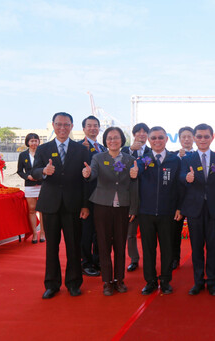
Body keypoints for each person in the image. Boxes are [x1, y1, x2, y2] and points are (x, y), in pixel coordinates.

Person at [32, 112, 90, 299]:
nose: (62, 128)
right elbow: (34, 171)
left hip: (73, 205)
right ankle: (52, 284)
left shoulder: (81, 150)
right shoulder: (43, 149)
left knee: (74, 246)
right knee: (51, 247)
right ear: (53, 125)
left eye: (66, 125)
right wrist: (44, 171)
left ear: (72, 126)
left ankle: (74, 283)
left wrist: (85, 205)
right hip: (50, 205)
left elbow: (85, 181)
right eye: (59, 124)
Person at [82, 127, 138, 296]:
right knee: (104, 244)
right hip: (102, 206)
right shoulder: (98, 158)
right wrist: (87, 173)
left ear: (122, 140)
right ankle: (107, 281)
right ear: (105, 141)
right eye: (109, 138)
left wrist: (134, 207)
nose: (113, 140)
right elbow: (92, 174)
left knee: (120, 244)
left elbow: (134, 185)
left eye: (116, 137)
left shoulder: (130, 159)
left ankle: (119, 279)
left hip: (123, 207)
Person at [180, 123, 215, 296]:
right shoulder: (187, 159)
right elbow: (181, 179)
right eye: (199, 136)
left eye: (206, 136)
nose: (202, 139)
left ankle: (212, 282)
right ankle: (198, 281)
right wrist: (187, 178)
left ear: (211, 138)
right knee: (196, 247)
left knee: (213, 246)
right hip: (195, 210)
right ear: (194, 138)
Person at [133, 126, 183, 295]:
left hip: (167, 213)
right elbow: (136, 172)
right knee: (148, 248)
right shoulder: (144, 160)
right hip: (146, 212)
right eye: (153, 138)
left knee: (167, 248)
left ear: (166, 139)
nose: (157, 141)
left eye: (160, 137)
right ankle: (151, 281)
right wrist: (134, 171)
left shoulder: (175, 161)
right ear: (149, 140)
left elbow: (180, 186)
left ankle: (166, 280)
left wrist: (179, 207)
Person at [122, 122, 151, 273]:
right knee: (130, 233)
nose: (141, 134)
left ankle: (149, 259)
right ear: (133, 135)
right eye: (138, 132)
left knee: (148, 233)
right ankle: (134, 259)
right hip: (130, 198)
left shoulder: (152, 152)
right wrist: (131, 152)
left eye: (144, 132)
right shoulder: (125, 150)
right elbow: (118, 169)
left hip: (148, 198)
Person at [80, 115, 104, 277]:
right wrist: (83, 203)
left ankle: (98, 260)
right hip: (87, 197)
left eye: (95, 125)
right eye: (89, 126)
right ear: (83, 129)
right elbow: (79, 177)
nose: (93, 128)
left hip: (102, 197)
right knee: (86, 232)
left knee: (99, 232)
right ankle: (86, 262)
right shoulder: (79, 147)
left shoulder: (103, 147)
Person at [170, 126, 194, 270]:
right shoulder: (172, 156)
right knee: (174, 232)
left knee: (197, 233)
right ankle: (174, 258)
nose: (186, 139)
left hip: (193, 200)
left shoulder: (199, 155)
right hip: (176, 200)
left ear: (194, 138)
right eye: (183, 137)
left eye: (189, 136)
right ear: (179, 139)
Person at [17, 133, 45, 243]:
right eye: (31, 141)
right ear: (28, 142)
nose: (34, 143)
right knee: (32, 210)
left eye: (36, 140)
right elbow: (19, 171)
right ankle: (34, 233)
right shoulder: (23, 155)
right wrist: (27, 176)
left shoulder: (43, 153)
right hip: (29, 185)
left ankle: (42, 232)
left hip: (42, 185)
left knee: (42, 210)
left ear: (39, 142)